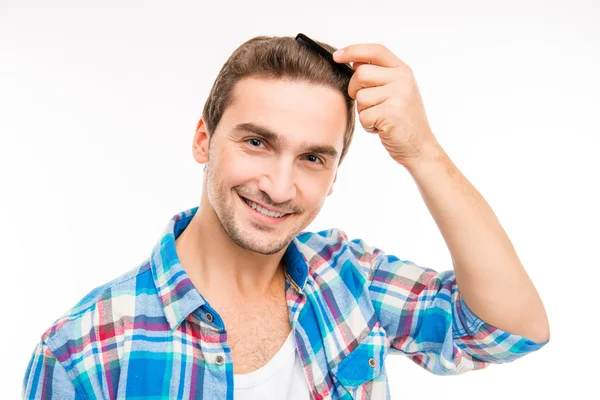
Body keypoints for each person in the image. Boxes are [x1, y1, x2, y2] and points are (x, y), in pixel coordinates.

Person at [22, 34, 550, 400]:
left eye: (312, 157)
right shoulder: (82, 351)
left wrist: (422, 150)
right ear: (203, 139)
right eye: (256, 142)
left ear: (335, 173)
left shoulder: (347, 276)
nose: (278, 186)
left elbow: (509, 330)